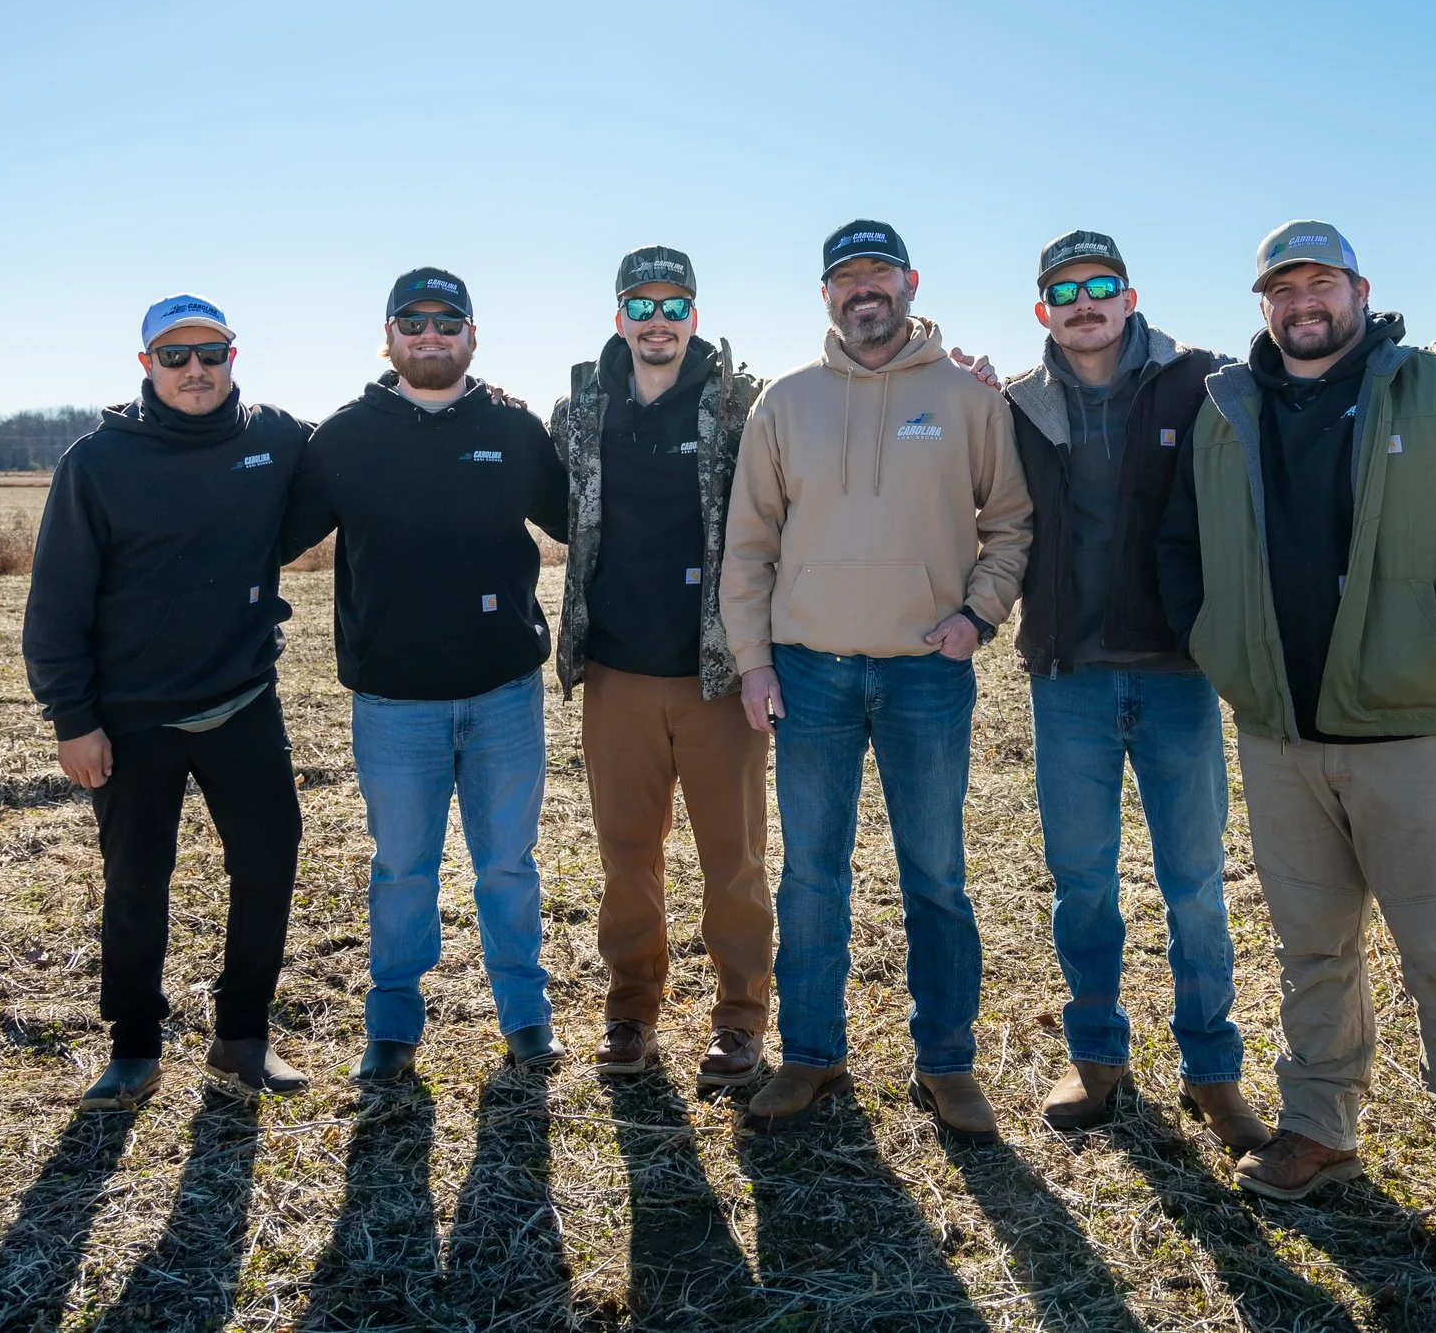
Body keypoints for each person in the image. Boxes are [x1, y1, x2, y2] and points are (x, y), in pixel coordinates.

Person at [1155, 221, 1436, 1266]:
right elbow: (1179, 546)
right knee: (1310, 945)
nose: (1302, 302)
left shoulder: (1435, 388)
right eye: (1282, 287)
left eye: (1320, 283)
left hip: (1414, 731)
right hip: (1282, 733)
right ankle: (1320, 1128)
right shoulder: (1225, 409)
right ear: (1264, 304)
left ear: (1358, 289)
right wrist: (1223, 647)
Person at [720, 220, 1034, 1141]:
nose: (865, 291)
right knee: (812, 874)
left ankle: (948, 1062)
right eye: (846, 278)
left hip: (925, 676)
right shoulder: (783, 403)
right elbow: (749, 545)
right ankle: (811, 1054)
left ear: (911, 282)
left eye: (879, 275)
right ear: (826, 295)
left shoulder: (969, 398)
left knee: (935, 874)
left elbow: (1009, 523)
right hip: (810, 674)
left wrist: (975, 617)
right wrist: (753, 659)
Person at [999, 230, 1274, 1151]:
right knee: (1082, 883)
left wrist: (1422, 355)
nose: (1085, 303)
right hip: (1067, 677)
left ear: (1129, 293)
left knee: (1194, 884)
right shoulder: (1015, 404)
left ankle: (1213, 1072)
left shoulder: (1200, 379)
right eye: (1065, 290)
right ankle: (1098, 1059)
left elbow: (1301, 373)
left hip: (1176, 675)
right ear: (1044, 308)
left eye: (1101, 285)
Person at [281, 268, 573, 1086]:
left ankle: (526, 1018)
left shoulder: (511, 430)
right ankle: (392, 1025)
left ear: (473, 336)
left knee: (508, 865)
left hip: (503, 690)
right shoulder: (345, 438)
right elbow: (266, 530)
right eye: (413, 321)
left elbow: (584, 516)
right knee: (402, 867)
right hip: (394, 701)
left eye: (449, 321)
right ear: (389, 336)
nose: (431, 334)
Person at [22, 295, 314, 1109]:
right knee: (137, 879)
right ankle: (133, 1047)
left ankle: (243, 1038)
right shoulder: (98, 462)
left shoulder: (274, 437)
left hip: (243, 700)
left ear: (234, 356)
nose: (196, 371)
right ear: (146, 364)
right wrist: (72, 719)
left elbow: (352, 465)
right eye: (176, 356)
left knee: (268, 863)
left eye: (210, 353)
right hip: (132, 715)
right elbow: (55, 606)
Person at [549, 247, 772, 1092]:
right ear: (619, 318)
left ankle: (740, 1019)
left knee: (734, 856)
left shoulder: (737, 404)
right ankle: (631, 1009)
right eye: (641, 305)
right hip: (616, 671)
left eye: (673, 304)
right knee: (626, 853)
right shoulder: (579, 409)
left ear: (693, 315)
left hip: (719, 670)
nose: (657, 320)